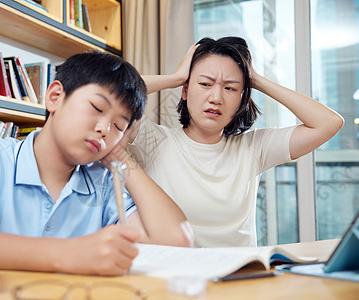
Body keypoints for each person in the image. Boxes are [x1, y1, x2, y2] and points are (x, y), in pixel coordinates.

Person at [0, 51, 193, 276]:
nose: (104, 129)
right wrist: (71, 253)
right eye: (97, 107)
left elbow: (176, 240)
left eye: (119, 126)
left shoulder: (104, 182)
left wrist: (120, 157)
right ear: (55, 97)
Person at [127, 37, 344, 248]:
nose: (216, 97)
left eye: (230, 88)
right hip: (178, 278)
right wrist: (175, 78)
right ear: (185, 90)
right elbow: (110, 92)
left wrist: (256, 80)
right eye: (205, 83)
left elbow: (328, 123)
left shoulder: (254, 147)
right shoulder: (152, 140)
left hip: (240, 277)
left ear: (242, 99)